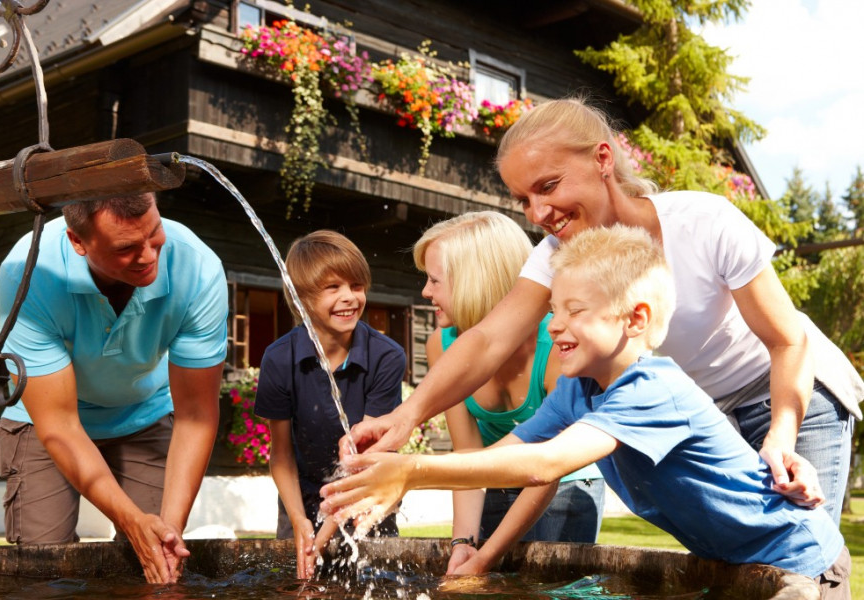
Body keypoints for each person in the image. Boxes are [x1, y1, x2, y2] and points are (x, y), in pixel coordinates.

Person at [344, 98, 863, 525]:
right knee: (740, 557)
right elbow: (486, 340)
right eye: (523, 199)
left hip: (794, 389)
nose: (539, 213)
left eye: (548, 186)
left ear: (603, 159)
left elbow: (787, 341)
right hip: (707, 411)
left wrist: (780, 434)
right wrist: (405, 416)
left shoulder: (704, 221)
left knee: (802, 545)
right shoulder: (555, 255)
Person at [322, 225, 850, 599]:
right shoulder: (578, 390)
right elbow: (506, 455)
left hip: (800, 564)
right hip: (737, 564)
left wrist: (413, 474)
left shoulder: (653, 388)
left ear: (634, 319)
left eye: (575, 311)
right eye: (553, 310)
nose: (554, 325)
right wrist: (387, 474)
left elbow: (544, 466)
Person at [0, 192, 228, 584]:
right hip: (44, 422)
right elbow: (61, 424)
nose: (149, 255)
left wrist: (165, 532)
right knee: (44, 572)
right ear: (78, 241)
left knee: (158, 563)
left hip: (144, 416)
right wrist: (131, 520)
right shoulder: (27, 274)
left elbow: (196, 416)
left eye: (154, 234)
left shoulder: (198, 268)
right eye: (126, 248)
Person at [413, 211, 604, 575]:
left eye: (435, 280)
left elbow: (549, 465)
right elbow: (468, 453)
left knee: (547, 587)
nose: (425, 292)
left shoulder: (557, 343)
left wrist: (487, 557)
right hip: (497, 478)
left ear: (474, 281)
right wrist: (463, 545)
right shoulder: (441, 345)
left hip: (563, 482)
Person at [254, 230, 407, 579]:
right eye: (332, 288)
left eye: (356, 285)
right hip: (302, 501)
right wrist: (299, 522)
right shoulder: (279, 359)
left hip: (366, 498)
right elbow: (280, 456)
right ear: (302, 298)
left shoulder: (386, 357)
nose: (349, 298)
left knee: (375, 584)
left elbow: (366, 459)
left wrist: (324, 535)